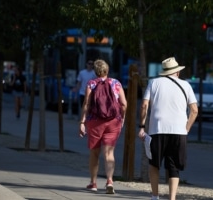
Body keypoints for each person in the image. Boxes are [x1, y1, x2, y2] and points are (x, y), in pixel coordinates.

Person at [138, 57, 198, 200]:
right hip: (179, 131)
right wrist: (187, 128)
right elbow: (194, 110)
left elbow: (144, 105)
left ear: (164, 71)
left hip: (157, 129)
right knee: (174, 166)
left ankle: (155, 196)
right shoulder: (186, 85)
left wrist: (141, 126)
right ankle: (172, 198)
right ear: (177, 72)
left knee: (154, 164)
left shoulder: (153, 82)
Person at [78, 59, 127, 194]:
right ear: (107, 70)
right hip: (113, 122)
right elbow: (124, 104)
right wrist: (121, 118)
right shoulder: (116, 83)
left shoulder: (91, 83)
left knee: (94, 153)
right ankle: (110, 181)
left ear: (95, 71)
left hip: (95, 122)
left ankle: (93, 183)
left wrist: (82, 122)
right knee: (109, 153)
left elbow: (87, 104)